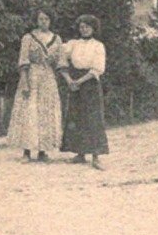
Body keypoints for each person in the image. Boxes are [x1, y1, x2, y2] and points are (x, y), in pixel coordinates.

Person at [6, 11, 63, 162]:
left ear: (51, 21)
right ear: (36, 21)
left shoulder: (56, 39)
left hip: (48, 77)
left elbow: (61, 61)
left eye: (46, 19)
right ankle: (26, 151)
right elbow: (23, 60)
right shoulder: (28, 38)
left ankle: (43, 151)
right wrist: (24, 81)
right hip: (32, 75)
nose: (43, 22)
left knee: (46, 112)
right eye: (40, 19)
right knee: (29, 112)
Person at [61, 14, 109, 170]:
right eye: (81, 27)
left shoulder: (98, 46)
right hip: (74, 82)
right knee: (76, 116)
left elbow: (97, 69)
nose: (84, 29)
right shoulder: (73, 44)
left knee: (93, 118)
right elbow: (61, 58)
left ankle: (96, 156)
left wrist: (79, 82)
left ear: (93, 28)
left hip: (90, 84)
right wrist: (69, 80)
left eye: (87, 27)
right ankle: (80, 153)